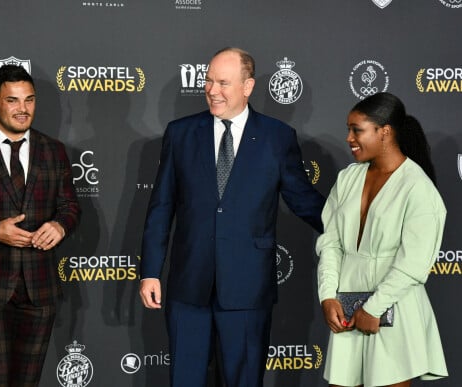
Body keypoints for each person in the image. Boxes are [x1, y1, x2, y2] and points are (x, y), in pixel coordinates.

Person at [139, 47, 325, 387]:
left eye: (223, 82)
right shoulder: (181, 133)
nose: (212, 90)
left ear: (248, 86)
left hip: (247, 288)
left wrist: (354, 229)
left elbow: (304, 201)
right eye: (208, 81)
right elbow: (161, 206)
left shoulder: (277, 137)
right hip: (188, 285)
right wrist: (150, 271)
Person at [0, 64, 81, 387]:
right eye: (12, 100)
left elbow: (70, 207)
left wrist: (59, 226)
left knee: (27, 381)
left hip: (39, 288)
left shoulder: (53, 150)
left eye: (29, 99)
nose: (23, 109)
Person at [316, 92, 448, 387]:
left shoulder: (418, 188)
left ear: (385, 132)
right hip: (347, 308)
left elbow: (414, 263)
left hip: (395, 307)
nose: (349, 138)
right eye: (349, 129)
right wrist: (327, 295)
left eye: (357, 130)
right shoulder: (348, 178)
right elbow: (331, 242)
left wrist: (374, 308)